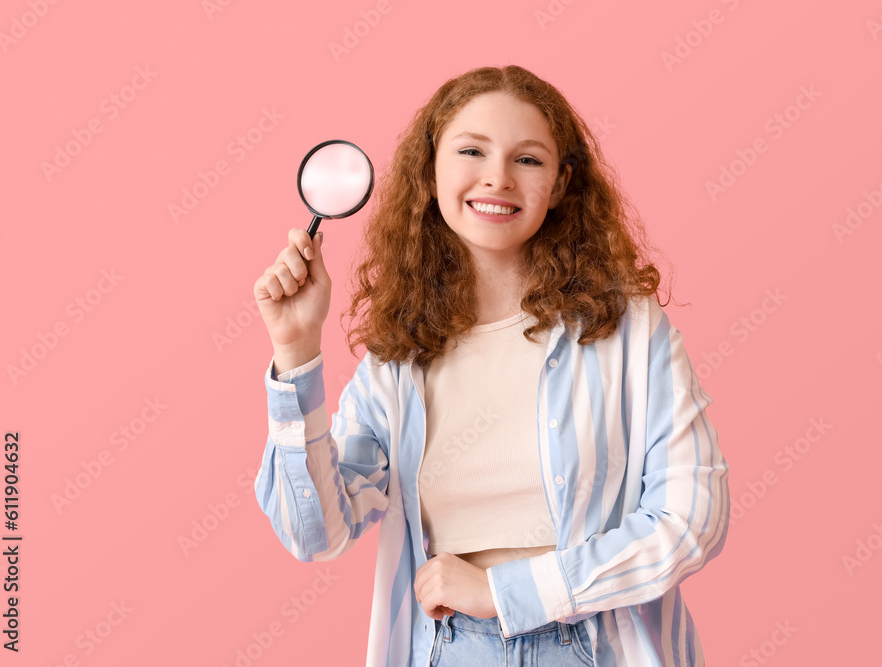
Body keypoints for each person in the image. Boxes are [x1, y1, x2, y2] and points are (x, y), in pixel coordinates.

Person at [252, 64, 730, 667]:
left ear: (559, 185)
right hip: (450, 651)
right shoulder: (399, 358)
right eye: (471, 150)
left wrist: (506, 592)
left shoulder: (628, 330)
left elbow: (691, 522)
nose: (497, 178)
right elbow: (316, 531)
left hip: (591, 649)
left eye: (528, 159)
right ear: (430, 172)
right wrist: (296, 354)